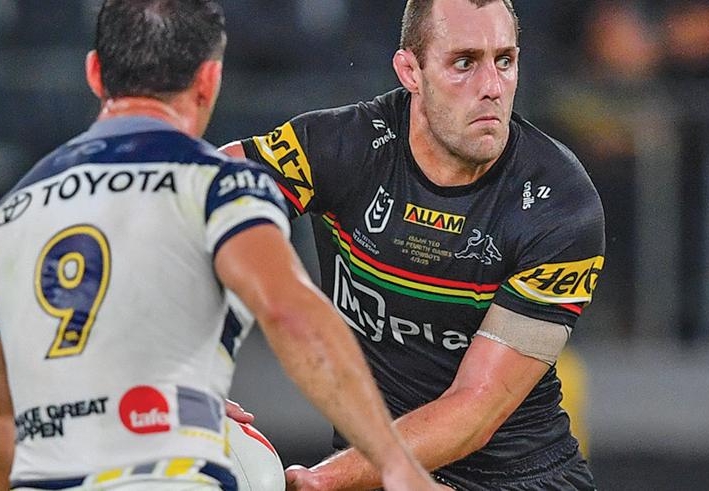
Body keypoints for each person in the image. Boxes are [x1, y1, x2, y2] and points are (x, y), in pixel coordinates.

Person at [0, 1, 440, 490]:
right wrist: (395, 464)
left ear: (95, 73)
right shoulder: (219, 186)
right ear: (209, 80)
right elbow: (290, 314)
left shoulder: (8, 217)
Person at [220, 0, 606, 489]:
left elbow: (475, 411)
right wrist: (181, 377)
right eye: (464, 62)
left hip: (518, 478)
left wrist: (323, 479)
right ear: (410, 72)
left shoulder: (558, 202)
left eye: (505, 60)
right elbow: (185, 202)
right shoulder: (342, 147)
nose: (492, 86)